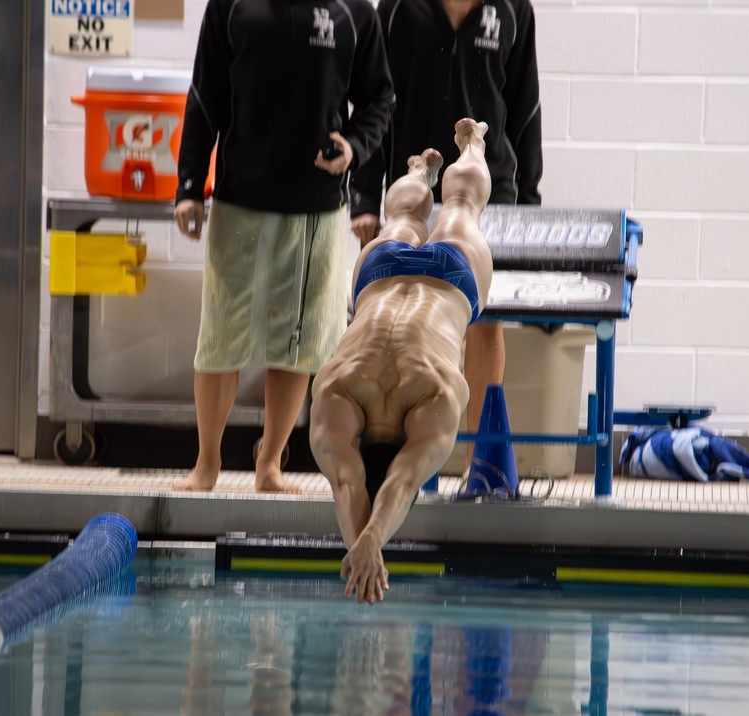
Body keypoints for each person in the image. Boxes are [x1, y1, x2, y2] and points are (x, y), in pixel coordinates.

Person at [171, 0, 395, 493]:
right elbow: (204, 95)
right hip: (239, 201)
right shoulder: (232, 6)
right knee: (220, 339)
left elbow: (380, 98)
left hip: (314, 205)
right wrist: (189, 185)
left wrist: (354, 146)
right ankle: (206, 464)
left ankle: (269, 465)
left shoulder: (352, 12)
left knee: (297, 345)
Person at [350, 0, 542, 476]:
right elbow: (376, 102)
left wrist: (531, 208)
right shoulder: (396, 9)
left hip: (487, 192)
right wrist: (364, 201)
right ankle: (401, 457)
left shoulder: (514, 10)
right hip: (413, 196)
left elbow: (526, 111)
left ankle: (476, 462)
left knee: (483, 324)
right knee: (401, 325)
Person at [310, 118, 493, 604]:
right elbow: (349, 481)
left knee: (463, 208)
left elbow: (403, 479)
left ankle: (472, 147)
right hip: (382, 272)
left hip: (451, 279)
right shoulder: (335, 391)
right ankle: (428, 165)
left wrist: (371, 541)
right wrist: (364, 540)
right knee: (406, 218)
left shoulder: (437, 398)